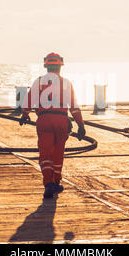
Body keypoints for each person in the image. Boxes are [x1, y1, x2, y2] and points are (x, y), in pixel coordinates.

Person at [19, 52, 86, 199]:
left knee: (45, 154)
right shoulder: (66, 83)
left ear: (46, 67)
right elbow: (74, 106)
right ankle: (56, 182)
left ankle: (48, 183)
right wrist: (81, 125)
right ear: (60, 67)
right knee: (58, 153)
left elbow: (29, 100)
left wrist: (25, 114)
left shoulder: (39, 82)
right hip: (62, 121)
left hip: (44, 120)